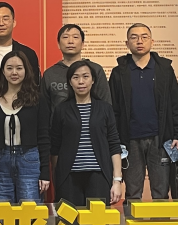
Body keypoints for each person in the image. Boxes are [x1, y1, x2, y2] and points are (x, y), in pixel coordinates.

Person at [110, 23, 178, 205]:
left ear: (152, 42)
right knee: (132, 191)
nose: (140, 41)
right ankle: (132, 223)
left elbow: (175, 103)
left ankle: (160, 223)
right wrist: (115, 140)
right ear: (127, 43)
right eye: (134, 37)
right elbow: (113, 109)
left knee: (161, 191)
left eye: (144, 37)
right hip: (130, 140)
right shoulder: (119, 72)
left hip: (160, 139)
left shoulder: (164, 70)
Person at [50, 60, 124, 208]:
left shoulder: (105, 109)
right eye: (75, 77)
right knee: (68, 221)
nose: (81, 82)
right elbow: (55, 148)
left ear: (93, 80)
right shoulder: (61, 110)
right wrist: (57, 177)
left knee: (97, 221)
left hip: (99, 175)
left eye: (85, 76)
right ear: (70, 82)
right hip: (68, 177)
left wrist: (117, 180)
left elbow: (114, 145)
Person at [0, 50, 49, 203]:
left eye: (19, 68)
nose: (14, 72)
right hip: (1, 161)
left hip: (29, 160)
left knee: (30, 212)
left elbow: (44, 137)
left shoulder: (37, 99)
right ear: (3, 71)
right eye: (9, 68)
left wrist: (45, 172)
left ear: (26, 71)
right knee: (1, 212)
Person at [42, 24, 111, 113]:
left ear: (82, 44)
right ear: (58, 44)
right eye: (65, 37)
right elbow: (44, 109)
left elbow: (106, 103)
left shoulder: (95, 69)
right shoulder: (50, 74)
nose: (70, 41)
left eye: (75, 37)